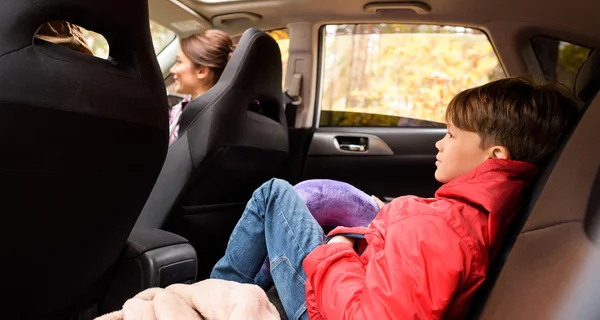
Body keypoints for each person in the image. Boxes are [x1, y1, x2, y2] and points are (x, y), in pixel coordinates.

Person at [210, 76, 578, 320]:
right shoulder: (487, 212)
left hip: (321, 308)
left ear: (495, 155)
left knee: (274, 194)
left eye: (450, 135)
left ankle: (212, 296)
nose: (438, 143)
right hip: (350, 288)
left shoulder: (434, 229)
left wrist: (337, 247)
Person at [168, 29, 234, 144]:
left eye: (179, 62)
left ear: (201, 71)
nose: (172, 69)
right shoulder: (182, 107)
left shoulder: (211, 123)